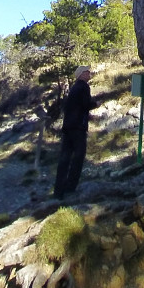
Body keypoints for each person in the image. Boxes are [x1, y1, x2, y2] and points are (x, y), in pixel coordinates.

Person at [53, 65, 97, 200]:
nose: (89, 74)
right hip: (78, 127)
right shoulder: (83, 87)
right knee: (78, 156)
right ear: (81, 74)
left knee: (64, 158)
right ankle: (71, 187)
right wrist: (95, 104)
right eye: (87, 72)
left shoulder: (73, 88)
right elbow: (85, 104)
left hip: (68, 127)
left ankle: (58, 190)